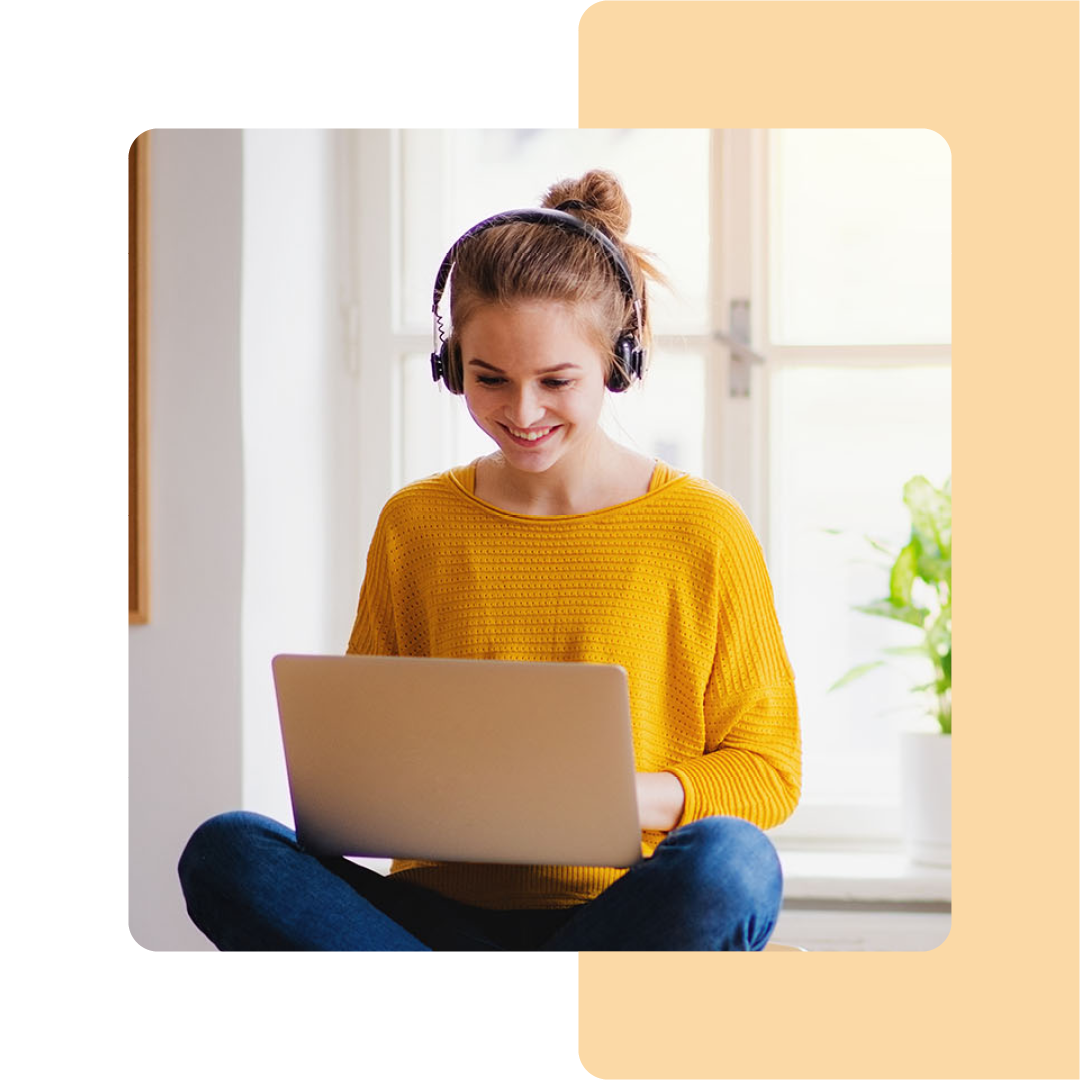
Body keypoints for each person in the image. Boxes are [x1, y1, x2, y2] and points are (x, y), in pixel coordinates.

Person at [179, 169, 801, 951]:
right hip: (430, 918)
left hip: (615, 916)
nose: (523, 411)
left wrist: (607, 799)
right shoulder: (417, 524)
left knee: (734, 862)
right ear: (451, 367)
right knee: (226, 849)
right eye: (490, 379)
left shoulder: (702, 529)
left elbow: (769, 771)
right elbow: (361, 761)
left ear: (618, 362)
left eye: (557, 380)